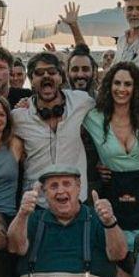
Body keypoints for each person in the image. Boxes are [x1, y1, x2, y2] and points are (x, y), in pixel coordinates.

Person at [10, 52, 94, 195]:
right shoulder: (19, 116)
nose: (46, 76)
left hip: (76, 199)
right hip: (38, 201)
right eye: (39, 73)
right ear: (31, 80)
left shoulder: (82, 101)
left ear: (61, 77)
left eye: (52, 71)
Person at [82, 61, 139, 234]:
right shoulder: (93, 117)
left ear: (136, 88)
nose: (121, 89)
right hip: (111, 191)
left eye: (128, 84)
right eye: (117, 83)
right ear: (108, 85)